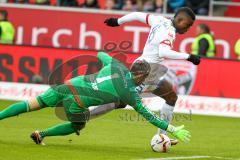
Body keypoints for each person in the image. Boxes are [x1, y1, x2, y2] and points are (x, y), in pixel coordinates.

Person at [0, 52, 190, 145]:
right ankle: (41, 134)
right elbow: (149, 116)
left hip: (68, 85)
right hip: (77, 103)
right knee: (77, 126)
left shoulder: (117, 67)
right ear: (142, 77)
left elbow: (101, 54)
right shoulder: (130, 93)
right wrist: (172, 129)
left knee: (31, 104)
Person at [101, 7, 200, 145]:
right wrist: (188, 56)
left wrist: (118, 21)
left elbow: (136, 14)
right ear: (180, 19)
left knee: (171, 97)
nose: (188, 29)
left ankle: (162, 137)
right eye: (187, 25)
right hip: (142, 72)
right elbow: (163, 52)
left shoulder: (159, 19)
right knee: (120, 102)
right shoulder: (169, 32)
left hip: (147, 71)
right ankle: (85, 109)